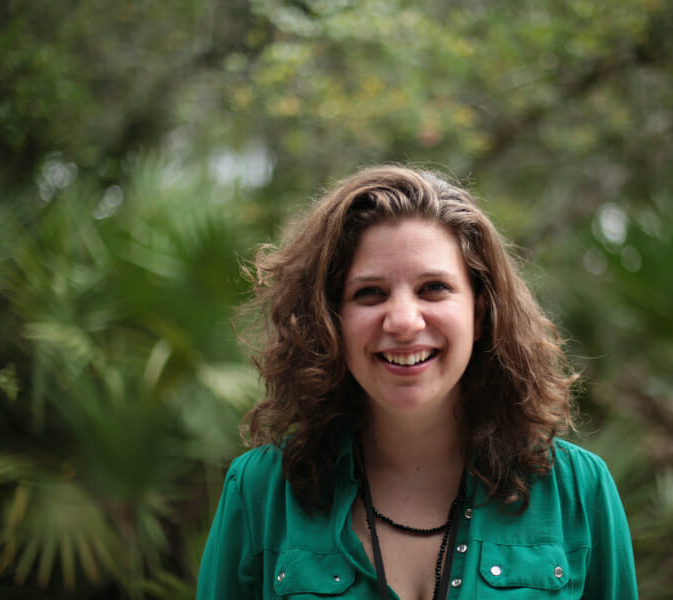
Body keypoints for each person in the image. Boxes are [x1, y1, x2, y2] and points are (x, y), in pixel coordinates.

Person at [196, 165, 638, 599]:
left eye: (433, 288)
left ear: (480, 312)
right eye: (369, 293)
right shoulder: (259, 493)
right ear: (330, 321)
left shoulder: (579, 491)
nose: (404, 321)